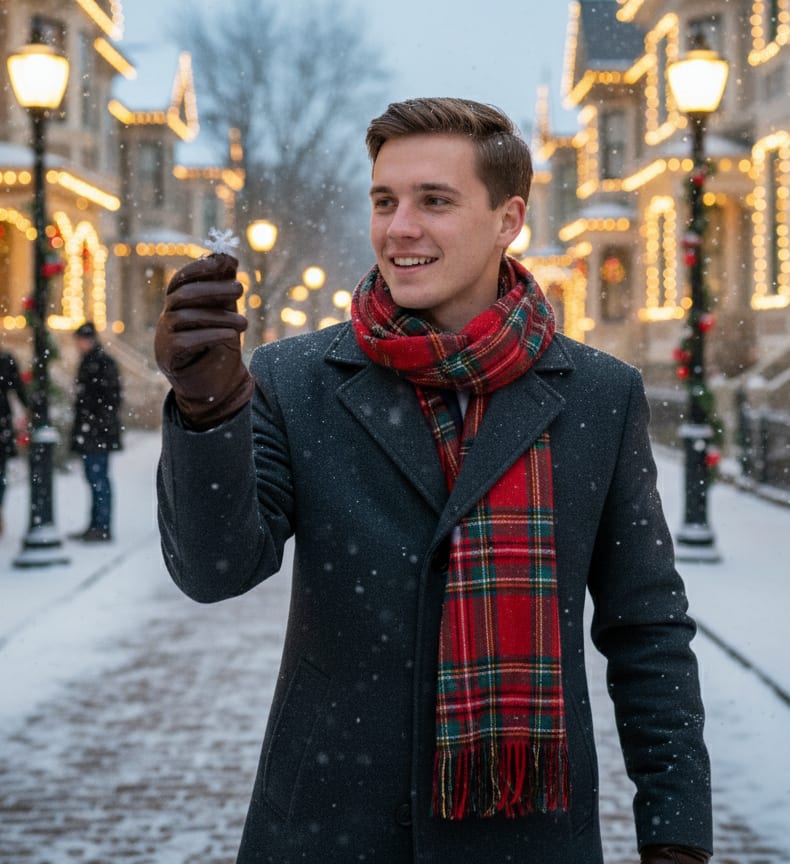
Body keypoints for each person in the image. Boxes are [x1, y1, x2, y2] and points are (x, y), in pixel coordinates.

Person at [155, 98, 712, 864]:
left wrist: (676, 836)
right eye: (384, 200)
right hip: (327, 825)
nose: (399, 228)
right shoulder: (297, 378)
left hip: (523, 834)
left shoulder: (597, 394)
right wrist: (208, 404)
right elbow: (215, 571)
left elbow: (646, 630)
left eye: (435, 201)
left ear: (508, 218)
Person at [69, 321, 122, 542]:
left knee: (98, 479)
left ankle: (101, 526)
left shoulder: (100, 363)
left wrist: (94, 423)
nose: (78, 345)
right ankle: (96, 524)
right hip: (93, 432)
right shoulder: (91, 362)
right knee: (95, 479)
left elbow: (109, 399)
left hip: (96, 433)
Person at [0, 349, 29, 535]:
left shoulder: (5, 359)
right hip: (2, 424)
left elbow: (18, 388)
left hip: (2, 424)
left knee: (1, 474)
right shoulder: (5, 360)